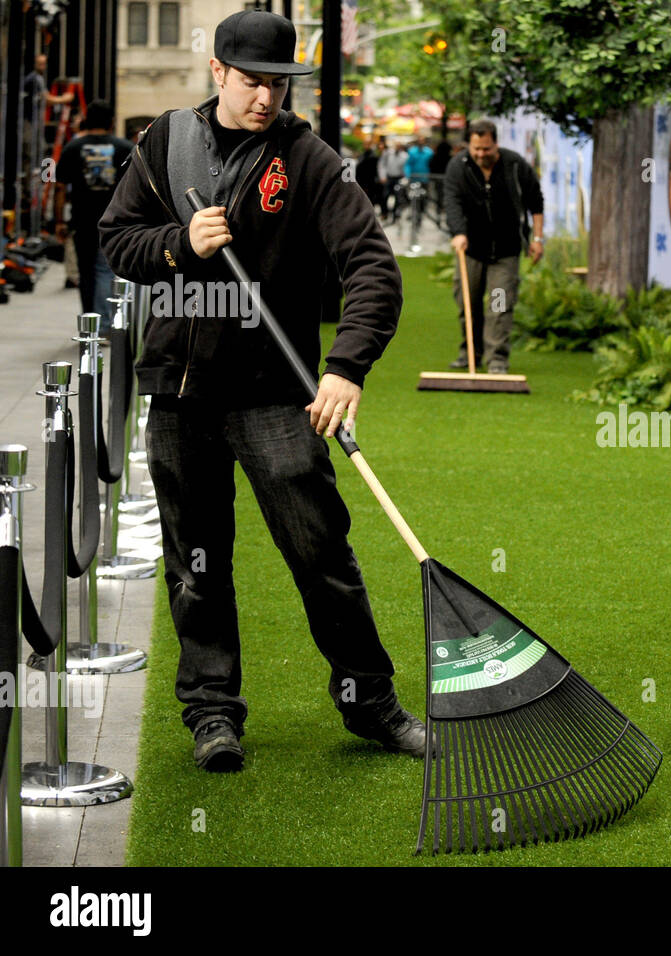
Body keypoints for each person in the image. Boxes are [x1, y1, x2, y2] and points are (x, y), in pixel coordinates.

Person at [99, 9, 425, 772]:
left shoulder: (310, 161)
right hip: (179, 392)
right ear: (218, 72)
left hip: (276, 393)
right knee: (196, 560)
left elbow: (373, 267)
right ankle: (213, 714)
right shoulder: (163, 143)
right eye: (253, 82)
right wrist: (180, 245)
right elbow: (117, 239)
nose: (268, 98)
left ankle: (369, 702)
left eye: (280, 84)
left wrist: (345, 365)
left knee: (320, 551)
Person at [443, 119, 544, 374]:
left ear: (495, 144)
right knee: (469, 303)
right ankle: (470, 353)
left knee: (499, 305)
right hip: (471, 249)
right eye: (476, 148)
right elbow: (452, 202)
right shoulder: (459, 166)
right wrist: (458, 233)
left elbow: (536, 201)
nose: (480, 154)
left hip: (505, 251)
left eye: (485, 149)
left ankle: (497, 359)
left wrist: (537, 239)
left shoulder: (514, 165)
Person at [55, 100, 134, 330]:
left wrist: (59, 220)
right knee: (105, 269)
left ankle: (90, 321)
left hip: (82, 220)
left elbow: (60, 187)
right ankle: (103, 324)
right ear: (111, 121)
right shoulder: (123, 147)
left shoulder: (73, 147)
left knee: (86, 272)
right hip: (113, 220)